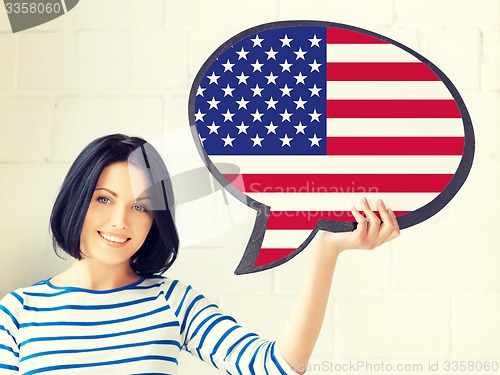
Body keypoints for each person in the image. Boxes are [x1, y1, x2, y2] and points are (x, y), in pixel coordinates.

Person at [0, 134, 400, 374]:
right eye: (104, 199)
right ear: (76, 200)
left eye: (141, 206)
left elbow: (278, 367)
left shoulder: (170, 301)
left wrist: (326, 251)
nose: (120, 221)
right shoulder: (18, 312)